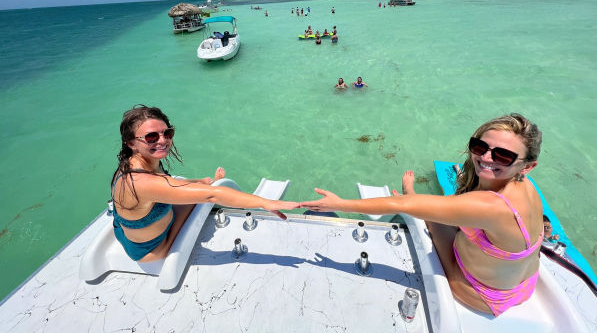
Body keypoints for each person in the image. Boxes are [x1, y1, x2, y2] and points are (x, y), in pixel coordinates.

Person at [301, 114, 543, 317]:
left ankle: (414, 192)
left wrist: (340, 203)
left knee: (425, 216)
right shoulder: (525, 185)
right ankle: (420, 199)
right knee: (438, 209)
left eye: (503, 156)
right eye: (480, 147)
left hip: (481, 293)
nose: (486, 158)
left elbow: (402, 205)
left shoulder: (490, 206)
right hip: (524, 285)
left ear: (527, 165)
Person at [111, 105, 298, 262]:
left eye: (167, 133)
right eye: (152, 137)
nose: (163, 141)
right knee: (207, 196)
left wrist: (199, 182)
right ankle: (211, 183)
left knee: (196, 187)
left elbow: (168, 183)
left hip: (124, 232)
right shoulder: (142, 182)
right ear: (131, 143)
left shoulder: (132, 163)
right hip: (153, 248)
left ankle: (205, 182)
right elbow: (212, 195)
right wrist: (265, 203)